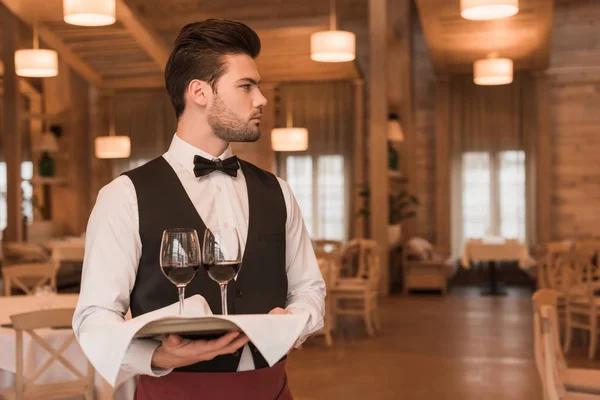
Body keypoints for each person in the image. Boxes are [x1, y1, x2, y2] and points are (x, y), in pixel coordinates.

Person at [73, 19, 326, 400]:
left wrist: (296, 321)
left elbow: (309, 288)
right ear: (199, 92)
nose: (261, 99)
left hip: (273, 388)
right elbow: (94, 317)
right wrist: (157, 353)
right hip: (173, 391)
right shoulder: (123, 196)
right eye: (246, 86)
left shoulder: (278, 192)